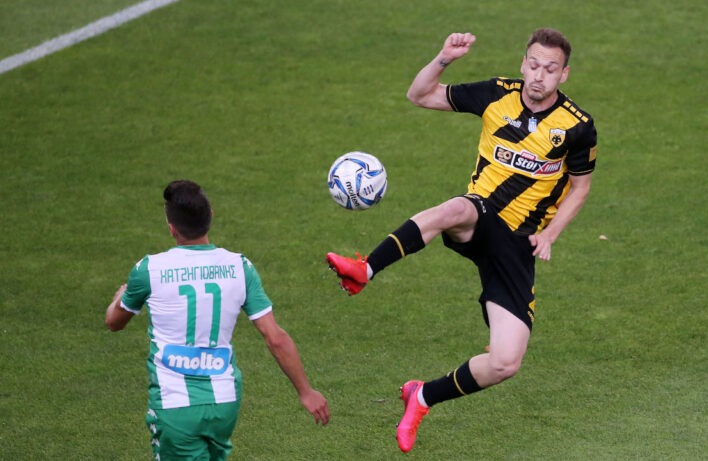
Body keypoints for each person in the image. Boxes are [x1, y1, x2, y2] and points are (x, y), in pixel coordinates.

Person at [326, 29, 597, 453]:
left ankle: (422, 396)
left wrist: (550, 234)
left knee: (505, 362)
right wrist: (444, 58)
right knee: (456, 209)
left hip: (518, 245)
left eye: (550, 69)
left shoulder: (578, 126)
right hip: (482, 214)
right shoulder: (496, 93)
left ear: (564, 74)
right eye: (533, 65)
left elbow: (580, 187)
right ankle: (366, 268)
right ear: (523, 63)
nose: (538, 75)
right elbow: (419, 95)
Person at [105, 179, 330, 460]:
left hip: (175, 407)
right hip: (224, 403)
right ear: (210, 217)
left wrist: (119, 297)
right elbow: (275, 337)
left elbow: (114, 322)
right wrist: (305, 391)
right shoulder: (240, 267)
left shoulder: (149, 269)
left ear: (172, 227)